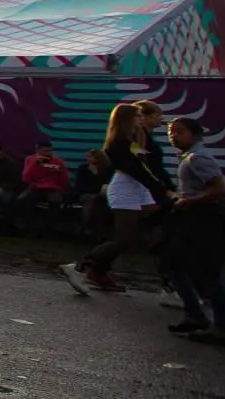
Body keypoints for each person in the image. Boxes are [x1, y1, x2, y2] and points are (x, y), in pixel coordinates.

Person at [63, 103, 175, 294]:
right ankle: (79, 267)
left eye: (142, 116)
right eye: (137, 117)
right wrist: (163, 189)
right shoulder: (118, 143)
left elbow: (148, 166)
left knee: (160, 227)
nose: (141, 120)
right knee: (124, 239)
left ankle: (170, 284)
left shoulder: (134, 139)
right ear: (126, 120)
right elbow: (137, 169)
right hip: (126, 189)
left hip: (140, 189)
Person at [163, 118, 225, 347]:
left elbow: (220, 189)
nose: (174, 136)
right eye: (171, 132)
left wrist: (189, 201)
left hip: (204, 219)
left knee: (209, 273)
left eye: (180, 132)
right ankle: (195, 316)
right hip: (191, 218)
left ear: (195, 134)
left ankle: (224, 329)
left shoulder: (198, 157)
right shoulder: (188, 157)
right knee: (173, 263)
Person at [18, 142, 70, 231]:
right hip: (36, 187)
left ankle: (49, 228)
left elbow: (64, 178)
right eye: (44, 151)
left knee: (56, 201)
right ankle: (29, 227)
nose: (47, 153)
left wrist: (62, 189)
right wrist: (35, 164)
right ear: (38, 150)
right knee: (23, 200)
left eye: (49, 151)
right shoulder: (30, 159)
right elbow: (26, 178)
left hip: (53, 188)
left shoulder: (58, 161)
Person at [73, 149, 111, 236]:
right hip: (85, 194)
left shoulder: (106, 170)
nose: (87, 159)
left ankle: (89, 229)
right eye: (87, 156)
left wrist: (97, 176)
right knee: (93, 200)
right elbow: (80, 186)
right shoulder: (83, 169)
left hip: (100, 196)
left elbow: (104, 184)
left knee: (98, 204)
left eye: (90, 157)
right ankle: (89, 228)